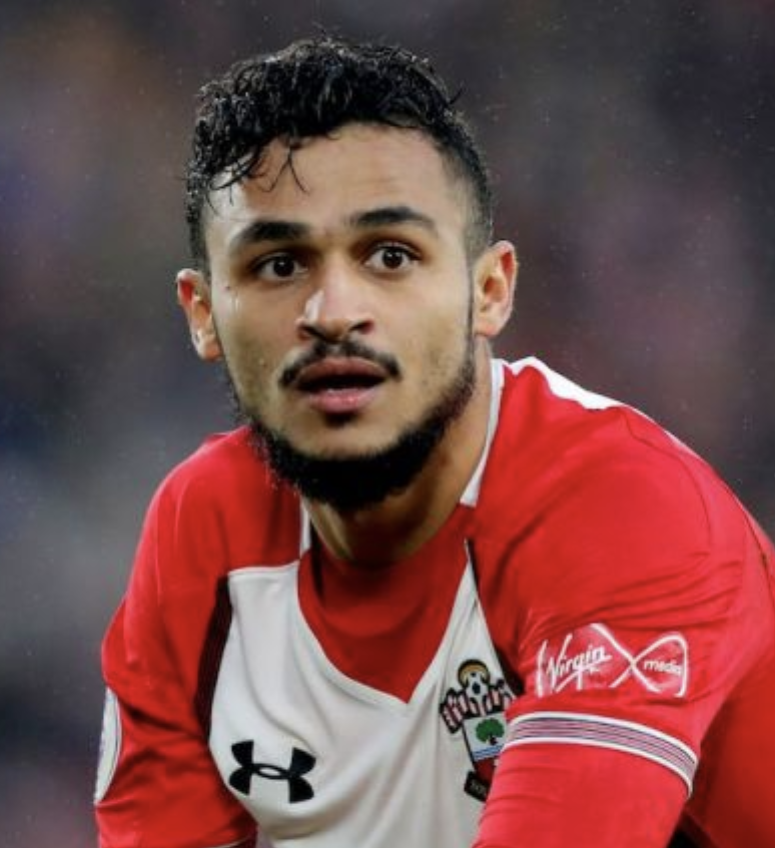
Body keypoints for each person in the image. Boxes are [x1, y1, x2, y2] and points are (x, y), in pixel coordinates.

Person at [93, 35, 775, 848]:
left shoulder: (628, 512)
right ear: (203, 314)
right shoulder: (204, 537)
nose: (333, 312)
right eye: (279, 265)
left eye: (391, 256)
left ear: (490, 292)